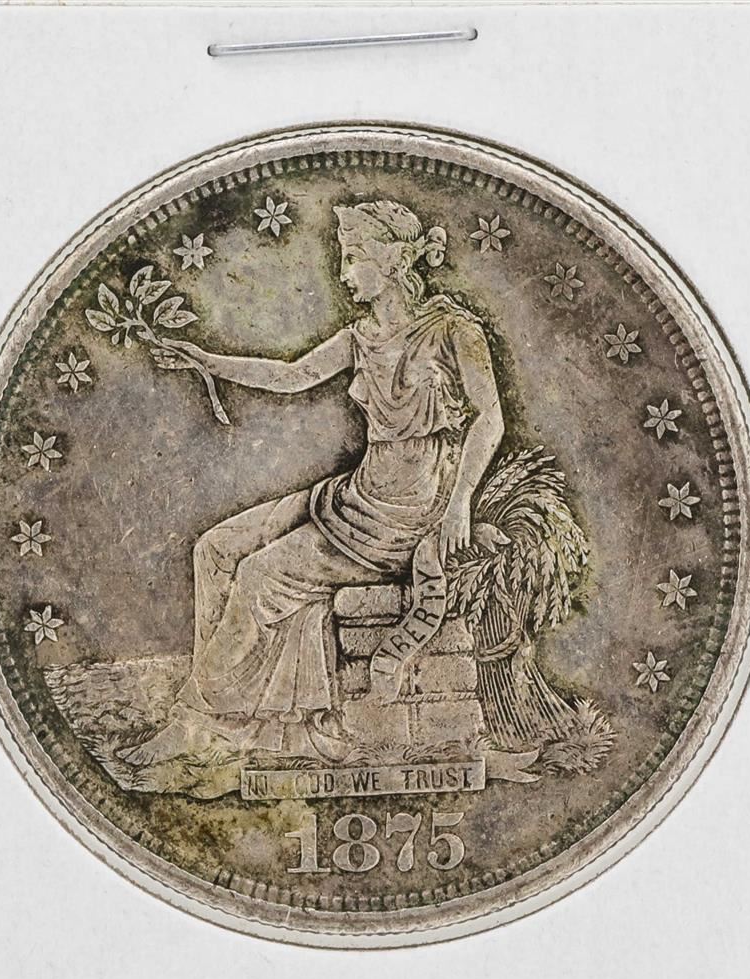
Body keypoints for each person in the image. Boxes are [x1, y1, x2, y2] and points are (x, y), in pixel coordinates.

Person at [121, 200, 504, 768]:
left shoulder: (455, 332)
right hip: (354, 500)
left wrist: (459, 505)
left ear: (393, 260)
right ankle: (251, 722)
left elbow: (490, 416)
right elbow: (291, 375)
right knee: (215, 549)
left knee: (258, 576)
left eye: (353, 258)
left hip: (406, 517)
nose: (343, 274)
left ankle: (198, 723)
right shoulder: (360, 337)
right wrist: (207, 361)